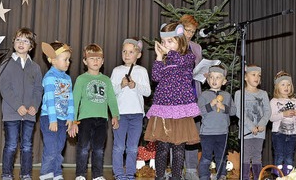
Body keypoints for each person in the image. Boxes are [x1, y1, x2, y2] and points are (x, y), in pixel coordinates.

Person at [144, 22, 200, 179]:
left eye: (170, 41)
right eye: (164, 42)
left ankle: (176, 177)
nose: (165, 45)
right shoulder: (165, 59)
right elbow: (155, 77)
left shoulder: (188, 57)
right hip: (163, 108)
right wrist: (159, 57)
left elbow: (182, 63)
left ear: (180, 40)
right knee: (162, 147)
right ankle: (159, 176)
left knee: (178, 148)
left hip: (180, 109)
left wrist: (169, 52)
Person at [68, 44, 120, 180]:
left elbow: (112, 100)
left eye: (98, 58)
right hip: (85, 119)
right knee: (83, 148)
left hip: (102, 120)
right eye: (92, 58)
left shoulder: (106, 80)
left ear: (102, 61)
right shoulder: (81, 79)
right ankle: (80, 174)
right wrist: (73, 121)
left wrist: (115, 115)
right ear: (85, 61)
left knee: (98, 149)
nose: (95, 61)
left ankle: (98, 175)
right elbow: (74, 101)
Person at [0, 28, 43, 180]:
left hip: (29, 114)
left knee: (27, 146)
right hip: (12, 113)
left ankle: (25, 174)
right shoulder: (6, 64)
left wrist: (34, 106)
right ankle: (6, 174)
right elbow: (5, 87)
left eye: (25, 41)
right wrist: (18, 106)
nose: (21, 43)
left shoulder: (35, 68)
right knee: (11, 145)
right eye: (18, 40)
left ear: (31, 46)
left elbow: (38, 89)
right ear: (13, 43)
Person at [110, 38, 151, 180]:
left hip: (137, 114)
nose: (127, 54)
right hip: (120, 114)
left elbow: (147, 92)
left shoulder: (142, 71)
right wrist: (121, 85)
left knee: (132, 147)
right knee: (119, 147)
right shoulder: (117, 71)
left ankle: (130, 173)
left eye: (131, 52)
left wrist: (135, 86)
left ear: (138, 55)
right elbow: (110, 94)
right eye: (124, 51)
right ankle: (119, 173)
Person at [39, 41, 74, 180]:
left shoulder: (68, 78)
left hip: (63, 119)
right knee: (51, 149)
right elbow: (49, 100)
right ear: (52, 60)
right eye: (65, 59)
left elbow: (70, 99)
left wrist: (70, 117)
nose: (68, 62)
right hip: (49, 118)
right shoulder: (49, 77)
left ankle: (57, 173)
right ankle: (46, 174)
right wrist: (52, 119)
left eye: (69, 59)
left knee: (59, 149)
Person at [197, 65, 236, 180]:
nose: (214, 80)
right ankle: (204, 175)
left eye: (218, 77)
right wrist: (211, 104)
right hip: (207, 133)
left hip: (222, 132)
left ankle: (221, 175)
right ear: (208, 80)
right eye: (212, 77)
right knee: (206, 157)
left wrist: (224, 107)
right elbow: (199, 112)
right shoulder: (204, 95)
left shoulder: (227, 95)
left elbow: (233, 111)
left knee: (221, 156)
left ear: (224, 81)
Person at [235, 64, 270, 180]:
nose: (257, 78)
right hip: (246, 133)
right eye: (253, 75)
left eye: (259, 75)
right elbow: (239, 112)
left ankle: (257, 177)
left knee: (257, 156)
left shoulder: (263, 94)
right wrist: (251, 126)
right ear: (245, 77)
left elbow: (267, 111)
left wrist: (261, 124)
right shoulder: (239, 94)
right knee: (245, 157)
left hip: (259, 133)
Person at [180, 14, 203, 180]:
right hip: (177, 95)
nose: (189, 34)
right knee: (176, 133)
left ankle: (191, 169)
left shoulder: (197, 47)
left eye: (192, 32)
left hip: (193, 93)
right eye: (187, 30)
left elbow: (199, 68)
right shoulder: (172, 44)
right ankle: (176, 168)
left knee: (193, 133)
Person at [269, 71, 296, 175]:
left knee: (289, 155)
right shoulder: (274, 101)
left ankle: (288, 174)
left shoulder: (294, 101)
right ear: (277, 87)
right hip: (278, 134)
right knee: (279, 155)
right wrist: (283, 114)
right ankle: (278, 175)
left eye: (288, 84)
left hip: (292, 134)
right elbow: (271, 118)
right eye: (283, 84)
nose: (286, 87)